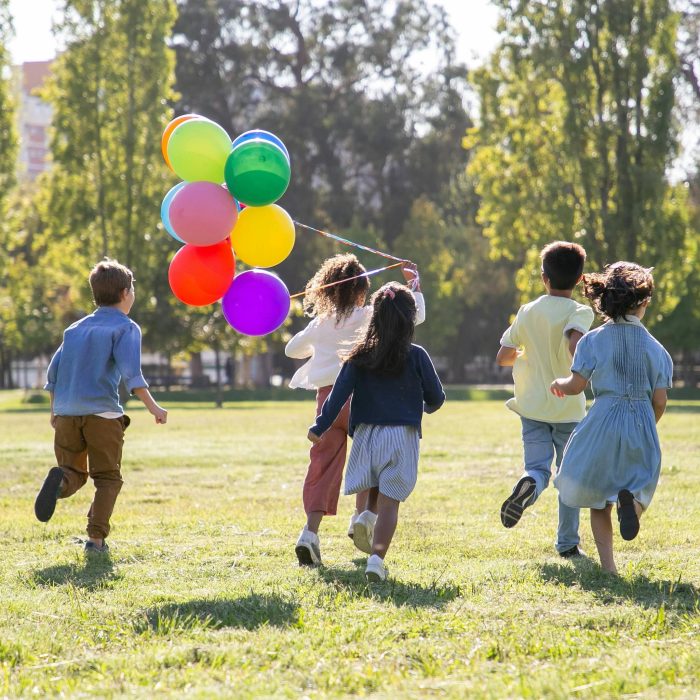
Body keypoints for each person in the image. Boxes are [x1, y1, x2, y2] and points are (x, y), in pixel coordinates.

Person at [286, 254, 425, 566]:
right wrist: (414, 285)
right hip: (362, 400)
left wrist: (318, 338)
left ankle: (310, 533)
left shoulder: (321, 324)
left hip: (327, 403)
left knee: (322, 466)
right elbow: (413, 317)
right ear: (363, 291)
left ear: (328, 292)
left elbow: (291, 349)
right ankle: (362, 516)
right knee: (372, 460)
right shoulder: (368, 317)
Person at [307, 281, 444, 581]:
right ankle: (376, 560)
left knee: (373, 485)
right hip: (401, 436)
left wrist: (320, 425)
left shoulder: (359, 355)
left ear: (375, 317)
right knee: (390, 503)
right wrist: (424, 407)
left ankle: (366, 516)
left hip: (366, 436)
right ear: (409, 319)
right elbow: (437, 397)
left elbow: (337, 396)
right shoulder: (417, 355)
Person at [34, 259, 168, 554]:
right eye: (132, 289)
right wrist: (155, 408)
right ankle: (95, 540)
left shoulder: (75, 329)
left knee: (73, 472)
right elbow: (133, 375)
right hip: (102, 415)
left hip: (67, 413)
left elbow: (53, 374)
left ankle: (60, 483)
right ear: (124, 293)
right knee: (107, 478)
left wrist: (55, 411)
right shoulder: (126, 328)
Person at [551, 262, 672, 574]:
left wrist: (559, 384)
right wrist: (647, 423)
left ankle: (609, 568)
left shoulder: (592, 340)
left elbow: (576, 385)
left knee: (598, 498)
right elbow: (660, 400)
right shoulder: (657, 350)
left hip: (602, 420)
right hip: (641, 421)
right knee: (641, 483)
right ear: (643, 302)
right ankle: (632, 507)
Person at [496, 241, 594, 557]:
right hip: (567, 407)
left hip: (532, 406)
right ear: (580, 280)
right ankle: (567, 544)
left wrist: (529, 354)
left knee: (537, 467)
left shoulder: (527, 311)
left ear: (544, 278)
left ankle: (529, 484)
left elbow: (503, 356)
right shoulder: (581, 311)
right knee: (569, 477)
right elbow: (574, 342)